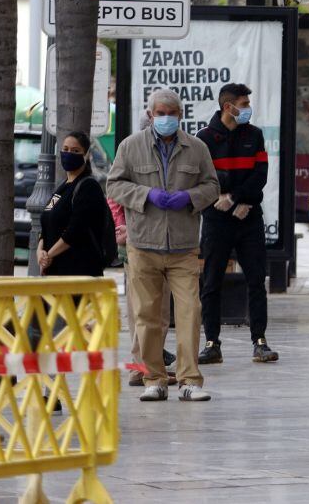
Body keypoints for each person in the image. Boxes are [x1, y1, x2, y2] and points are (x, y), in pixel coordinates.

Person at [107, 87, 220, 403]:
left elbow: (212, 186)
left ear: (180, 115)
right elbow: (114, 185)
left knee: (190, 312)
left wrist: (190, 197)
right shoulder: (130, 147)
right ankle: (153, 378)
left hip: (183, 247)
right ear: (149, 115)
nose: (166, 119)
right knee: (146, 316)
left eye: (171, 113)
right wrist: (145, 195)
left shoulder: (196, 149)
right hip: (143, 245)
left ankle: (189, 380)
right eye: (160, 113)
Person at [196, 83, 278, 365]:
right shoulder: (204, 138)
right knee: (211, 281)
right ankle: (211, 343)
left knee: (256, 279)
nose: (247, 110)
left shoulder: (254, 136)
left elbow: (260, 176)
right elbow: (205, 180)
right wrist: (225, 196)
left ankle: (260, 341)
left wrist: (237, 197)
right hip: (216, 219)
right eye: (243, 104)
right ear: (227, 106)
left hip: (248, 215)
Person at [110, 195, 175, 387]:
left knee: (140, 309)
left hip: (136, 239)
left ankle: (142, 367)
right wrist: (125, 228)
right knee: (155, 310)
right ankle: (144, 368)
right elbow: (114, 198)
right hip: (143, 242)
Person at [37, 131, 111, 278]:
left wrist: (48, 256)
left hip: (78, 272)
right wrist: (40, 252)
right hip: (54, 271)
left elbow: (75, 231)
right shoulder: (61, 188)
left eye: (75, 151)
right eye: (65, 149)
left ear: (86, 154)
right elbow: (45, 223)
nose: (68, 154)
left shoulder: (88, 187)